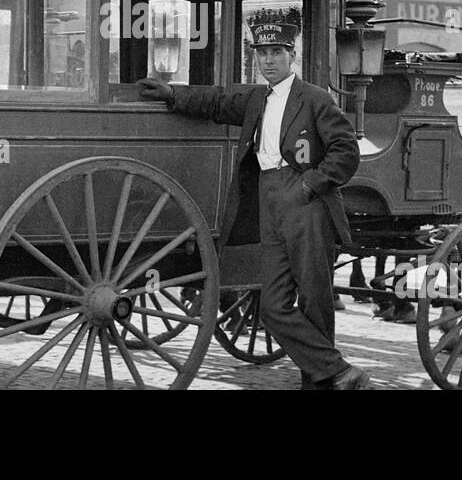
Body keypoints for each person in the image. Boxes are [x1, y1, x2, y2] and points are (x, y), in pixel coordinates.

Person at [139, 22, 370, 390]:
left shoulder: (314, 98)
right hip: (268, 197)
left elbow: (346, 150)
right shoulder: (255, 100)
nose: (269, 61)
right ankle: (338, 370)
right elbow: (215, 103)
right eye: (263, 54)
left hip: (306, 200)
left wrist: (311, 183)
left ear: (291, 56)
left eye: (276, 53)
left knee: (314, 297)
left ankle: (321, 382)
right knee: (273, 306)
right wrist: (171, 93)